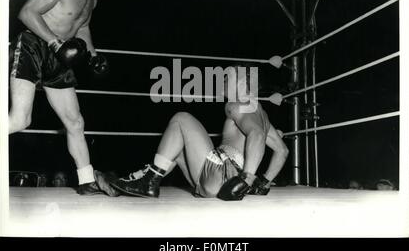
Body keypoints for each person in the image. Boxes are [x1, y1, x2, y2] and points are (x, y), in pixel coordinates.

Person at [9, 0, 121, 196]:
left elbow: (82, 27)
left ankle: (86, 179)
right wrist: (55, 43)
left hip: (57, 55)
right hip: (34, 45)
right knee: (20, 119)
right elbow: (27, 12)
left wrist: (92, 54)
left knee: (75, 121)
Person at [111, 66, 289, 201]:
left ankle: (148, 182)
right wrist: (264, 182)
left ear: (242, 82)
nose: (222, 80)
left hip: (222, 174)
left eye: (228, 77)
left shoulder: (237, 105)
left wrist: (247, 180)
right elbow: (282, 151)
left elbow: (256, 135)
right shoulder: (260, 114)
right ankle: (142, 178)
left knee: (182, 118)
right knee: (177, 146)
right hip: (220, 180)